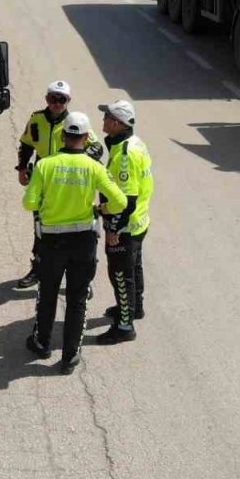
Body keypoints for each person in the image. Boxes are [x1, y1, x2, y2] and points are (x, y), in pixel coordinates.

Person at [23, 112, 126, 374]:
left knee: (47, 294)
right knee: (77, 299)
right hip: (83, 241)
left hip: (52, 241)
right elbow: (120, 202)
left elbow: (29, 203)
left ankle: (41, 343)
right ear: (86, 137)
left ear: (62, 135)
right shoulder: (94, 167)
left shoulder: (46, 165)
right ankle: (69, 357)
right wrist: (99, 209)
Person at [14, 80, 102, 289]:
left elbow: (97, 148)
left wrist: (77, 159)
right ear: (46, 99)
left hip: (69, 183)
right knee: (40, 227)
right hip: (43, 179)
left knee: (78, 230)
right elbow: (26, 144)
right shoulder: (36, 119)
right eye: (53, 98)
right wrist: (22, 168)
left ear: (68, 101)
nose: (56, 103)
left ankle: (82, 280)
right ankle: (38, 269)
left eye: (61, 99)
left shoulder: (75, 122)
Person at [95, 99, 155, 344]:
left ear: (117, 123)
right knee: (134, 268)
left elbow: (126, 201)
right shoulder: (133, 143)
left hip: (127, 225)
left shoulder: (124, 155)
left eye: (107, 116)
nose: (103, 120)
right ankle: (134, 308)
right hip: (140, 222)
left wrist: (113, 228)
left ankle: (124, 326)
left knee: (120, 274)